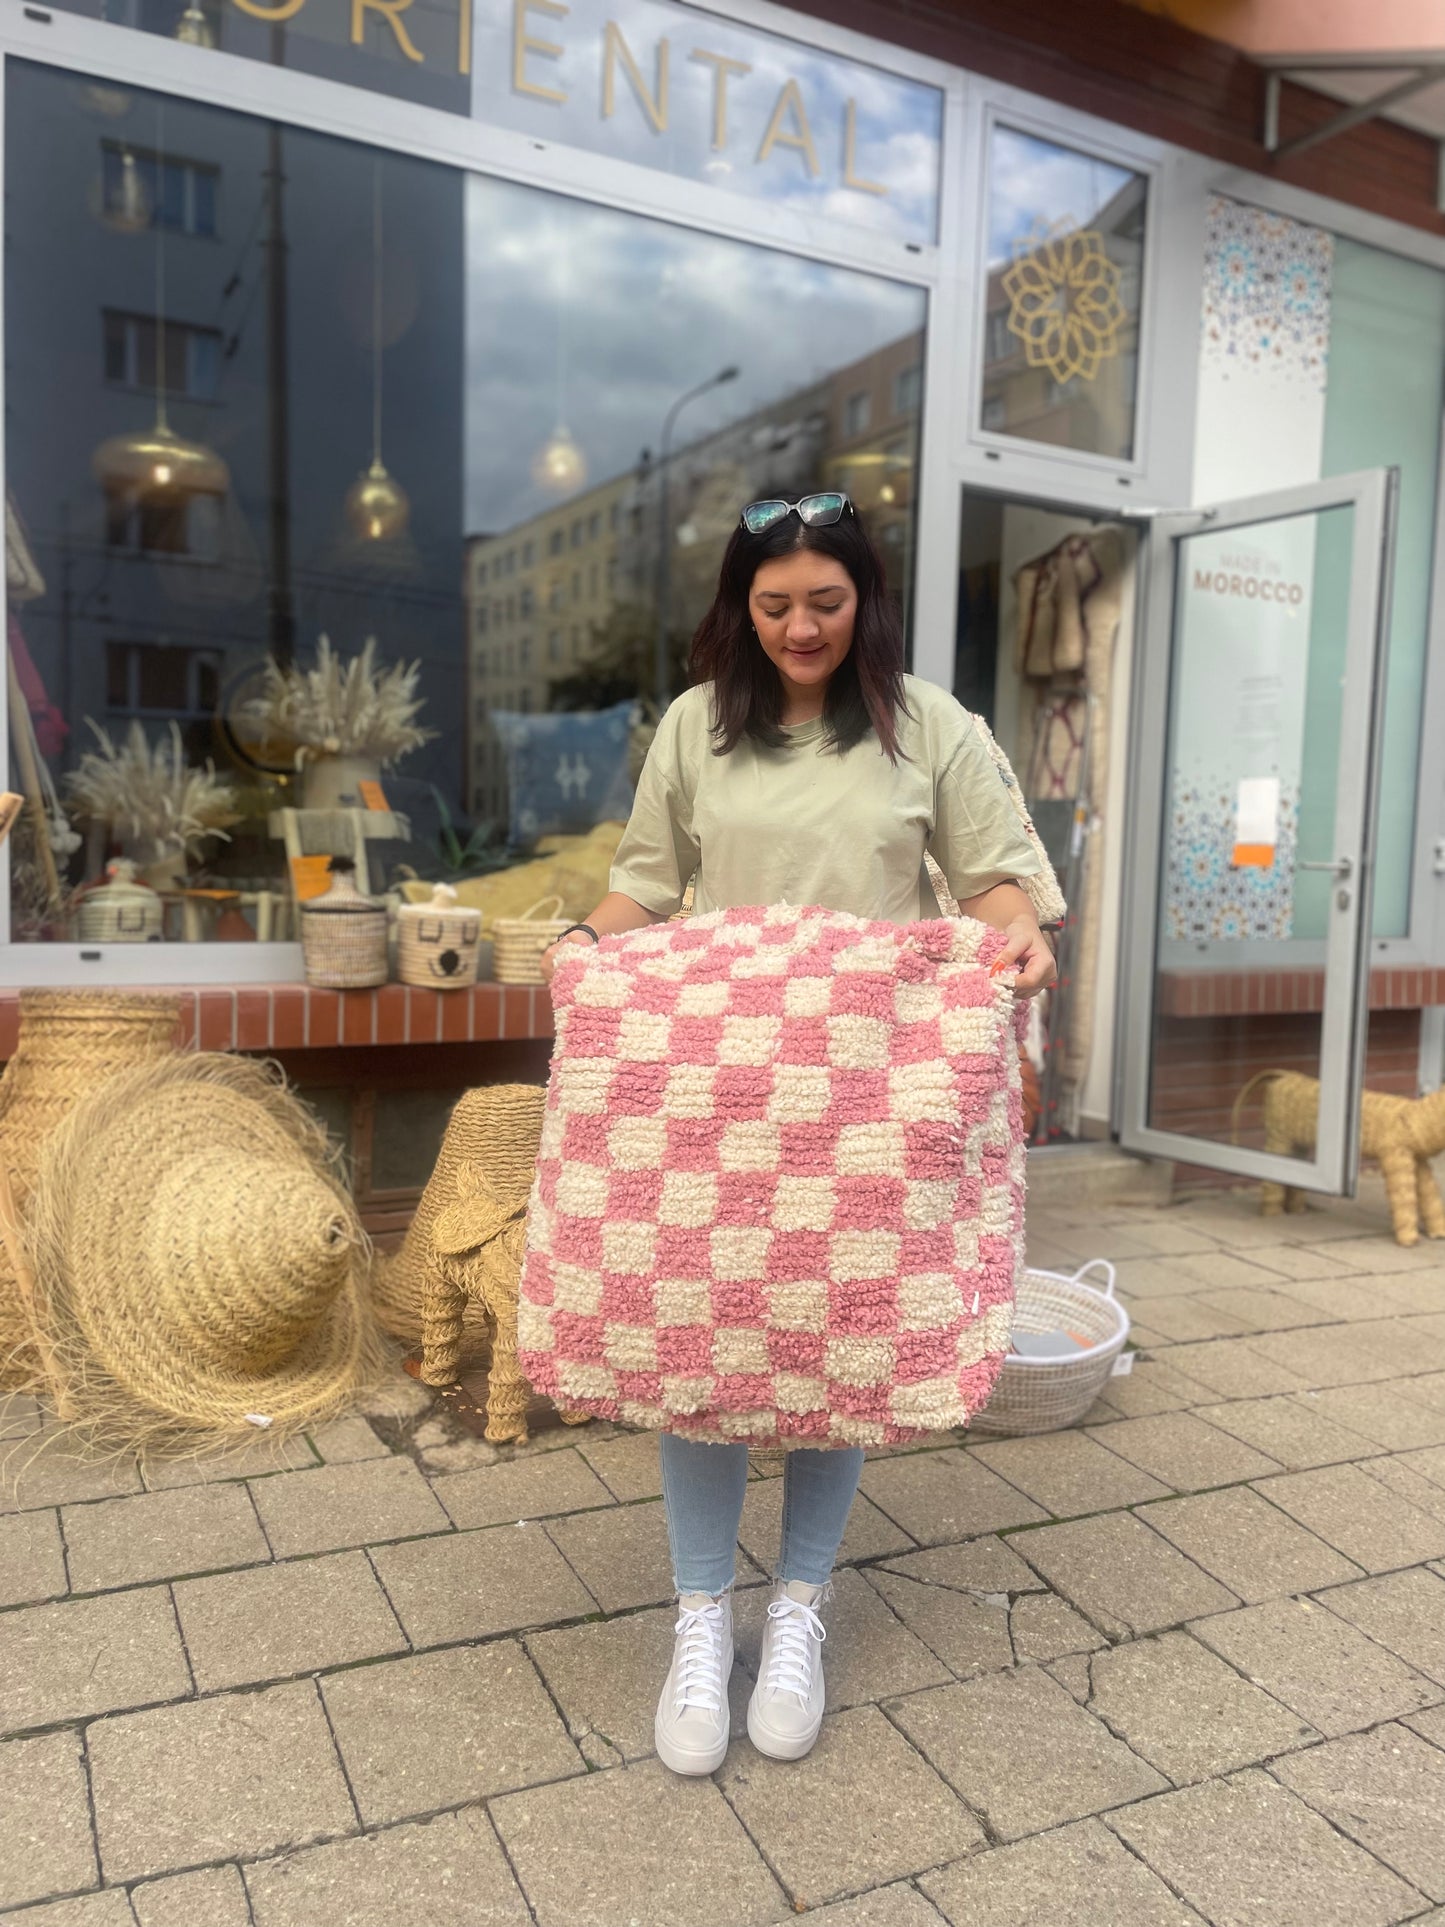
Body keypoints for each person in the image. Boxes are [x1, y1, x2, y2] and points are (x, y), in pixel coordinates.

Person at [540, 490, 1056, 1777]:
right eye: (773, 606)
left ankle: (800, 1609)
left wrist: (1018, 938)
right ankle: (700, 1616)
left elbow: (991, 884)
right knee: (700, 1327)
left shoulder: (927, 725)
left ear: (863, 598)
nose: (800, 628)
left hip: (867, 1090)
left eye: (824, 601)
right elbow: (644, 881)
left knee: (844, 1334)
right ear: (741, 606)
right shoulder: (693, 725)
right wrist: (586, 945)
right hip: (721, 1088)